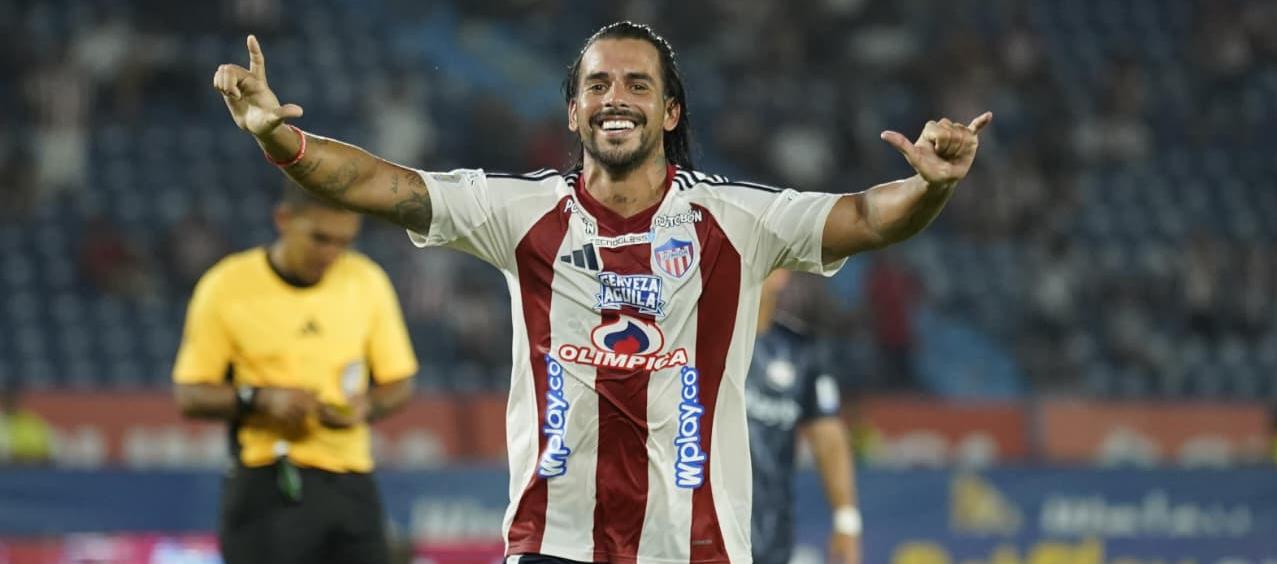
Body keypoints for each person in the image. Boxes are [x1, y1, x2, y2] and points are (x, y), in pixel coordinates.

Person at [212, 21, 989, 563]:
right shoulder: (517, 212)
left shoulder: (739, 219)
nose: (616, 95)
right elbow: (385, 186)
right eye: (597, 84)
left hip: (698, 549)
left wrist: (931, 189)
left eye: (637, 84)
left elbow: (863, 216)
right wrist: (282, 140)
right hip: (551, 545)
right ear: (574, 110)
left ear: (670, 110)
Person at [171, 184, 419, 564]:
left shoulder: (367, 281)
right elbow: (190, 394)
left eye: (343, 241)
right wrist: (262, 399)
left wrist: (366, 406)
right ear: (284, 219)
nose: (331, 254)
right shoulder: (227, 286)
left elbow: (400, 383)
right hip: (267, 479)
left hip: (351, 482)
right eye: (320, 238)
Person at [746, 270, 860, 564]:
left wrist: (846, 521)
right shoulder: (697, 340)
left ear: (782, 274)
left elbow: (829, 441)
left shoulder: (801, 352)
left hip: (770, 535)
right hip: (698, 532)